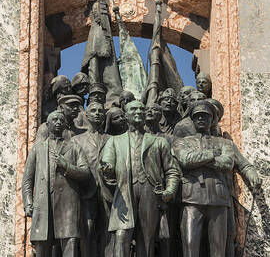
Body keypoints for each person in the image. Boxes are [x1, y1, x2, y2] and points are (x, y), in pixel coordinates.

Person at [173, 101, 261, 257]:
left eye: (205, 116)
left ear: (212, 119)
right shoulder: (182, 142)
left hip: (219, 200)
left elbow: (227, 163)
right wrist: (212, 154)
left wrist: (252, 174)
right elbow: (186, 159)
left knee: (218, 250)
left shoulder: (225, 143)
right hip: (192, 199)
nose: (201, 119)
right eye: (197, 116)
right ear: (192, 120)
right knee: (190, 248)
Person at [99, 100, 181, 257]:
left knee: (147, 239)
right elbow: (106, 163)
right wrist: (107, 170)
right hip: (124, 193)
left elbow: (172, 170)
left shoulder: (159, 142)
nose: (138, 112)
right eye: (133, 109)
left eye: (141, 109)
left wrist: (169, 191)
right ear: (126, 115)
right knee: (121, 236)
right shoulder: (114, 141)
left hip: (150, 193)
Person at [22, 110, 91, 257]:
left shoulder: (74, 147)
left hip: (68, 204)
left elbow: (85, 173)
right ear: (48, 124)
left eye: (61, 120)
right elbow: (27, 179)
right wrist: (28, 203)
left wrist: (66, 165)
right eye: (55, 120)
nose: (58, 122)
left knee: (69, 245)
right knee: (42, 247)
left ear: (65, 124)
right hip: (43, 204)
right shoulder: (38, 148)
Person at [72, 102, 112, 257]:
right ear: (86, 115)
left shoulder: (112, 139)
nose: (97, 113)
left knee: (107, 229)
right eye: (93, 111)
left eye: (100, 111)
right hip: (86, 190)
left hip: (108, 190)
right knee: (87, 228)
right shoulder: (77, 140)